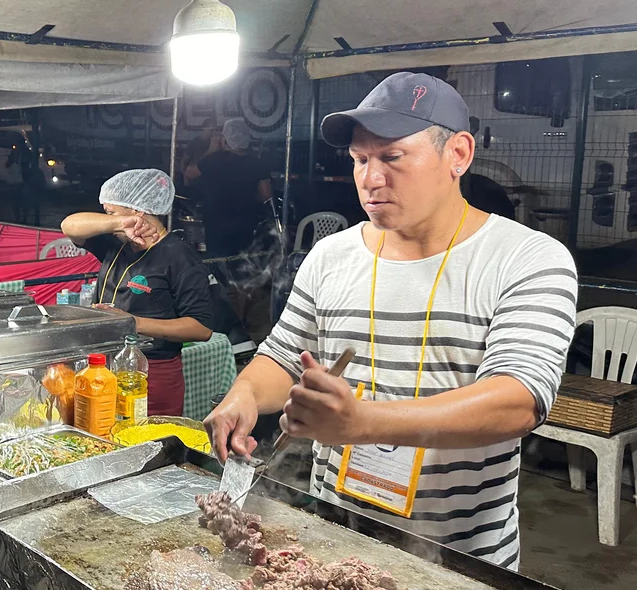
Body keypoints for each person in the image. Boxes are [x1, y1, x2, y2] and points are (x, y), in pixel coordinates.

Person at [204, 73, 578, 570]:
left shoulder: (526, 258)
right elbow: (282, 357)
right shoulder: (331, 255)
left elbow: (518, 400)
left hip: (456, 555)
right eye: (360, 160)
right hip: (326, 541)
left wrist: (360, 423)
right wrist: (244, 396)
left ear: (458, 155)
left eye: (392, 157)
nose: (370, 178)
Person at [61, 169, 213, 416]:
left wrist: (131, 322)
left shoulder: (179, 257)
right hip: (105, 366)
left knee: (150, 444)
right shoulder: (117, 243)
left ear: (138, 210)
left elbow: (201, 328)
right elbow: (69, 226)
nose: (106, 220)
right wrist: (120, 222)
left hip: (152, 373)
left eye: (111, 212)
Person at [193, 118, 273, 259]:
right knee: (240, 264)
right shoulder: (257, 163)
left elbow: (189, 173)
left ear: (225, 140)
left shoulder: (212, 160)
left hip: (215, 222)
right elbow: (266, 196)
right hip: (245, 222)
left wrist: (211, 149)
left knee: (216, 263)